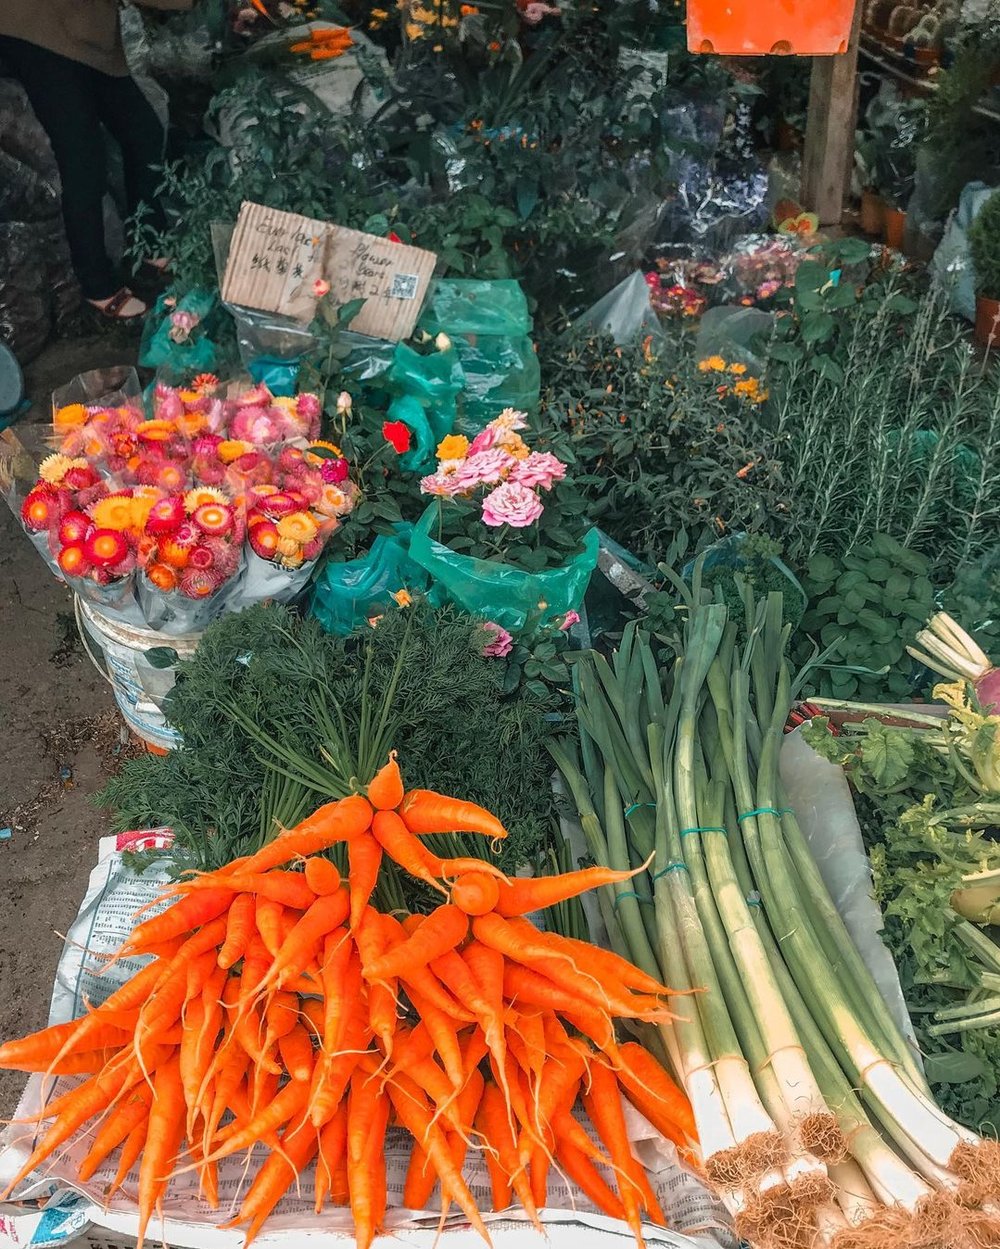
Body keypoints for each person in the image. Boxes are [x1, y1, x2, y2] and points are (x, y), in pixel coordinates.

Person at [0, 0, 192, 321]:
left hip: (85, 28)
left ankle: (147, 238)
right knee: (83, 158)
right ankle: (96, 284)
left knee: (142, 131)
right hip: (39, 30)